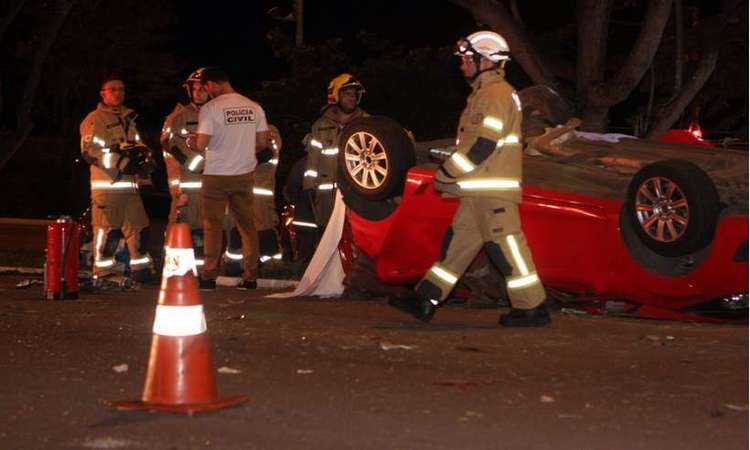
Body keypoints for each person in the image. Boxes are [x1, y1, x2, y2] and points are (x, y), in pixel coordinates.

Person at [389, 31, 550, 327]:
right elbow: (479, 144)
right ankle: (426, 298)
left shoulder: (495, 94)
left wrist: (448, 171)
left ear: (486, 61)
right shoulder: (486, 95)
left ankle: (532, 307)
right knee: (457, 247)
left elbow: (484, 145)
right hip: (479, 191)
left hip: (491, 191)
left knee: (506, 247)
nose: (462, 65)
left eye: (466, 59)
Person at [186, 67, 268, 291]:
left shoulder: (211, 108)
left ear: (211, 84)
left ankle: (209, 276)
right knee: (247, 226)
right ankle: (251, 277)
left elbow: (202, 144)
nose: (205, 91)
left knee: (212, 225)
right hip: (243, 174)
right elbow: (262, 143)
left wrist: (190, 142)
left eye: (205, 87)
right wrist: (240, 147)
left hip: (216, 175)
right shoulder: (254, 107)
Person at [79, 75, 155, 282]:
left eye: (121, 89)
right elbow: (90, 151)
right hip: (108, 186)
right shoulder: (95, 119)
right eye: (112, 89)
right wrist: (121, 163)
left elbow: (139, 147)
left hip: (129, 187)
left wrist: (146, 164)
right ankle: (103, 272)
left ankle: (141, 270)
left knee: (139, 226)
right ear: (102, 94)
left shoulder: (128, 118)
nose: (118, 93)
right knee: (108, 230)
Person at [303, 73, 367, 227]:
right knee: (328, 239)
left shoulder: (367, 122)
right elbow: (313, 160)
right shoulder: (320, 125)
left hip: (357, 193)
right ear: (336, 95)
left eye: (355, 94)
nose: (352, 98)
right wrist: (308, 186)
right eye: (347, 93)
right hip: (326, 195)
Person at [160, 68, 210, 267]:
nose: (198, 92)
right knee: (182, 225)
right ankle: (174, 267)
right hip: (186, 183)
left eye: (203, 88)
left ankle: (203, 269)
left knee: (207, 229)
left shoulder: (216, 113)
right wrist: (197, 165)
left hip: (211, 184)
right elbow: (170, 146)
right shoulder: (178, 116)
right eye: (195, 88)